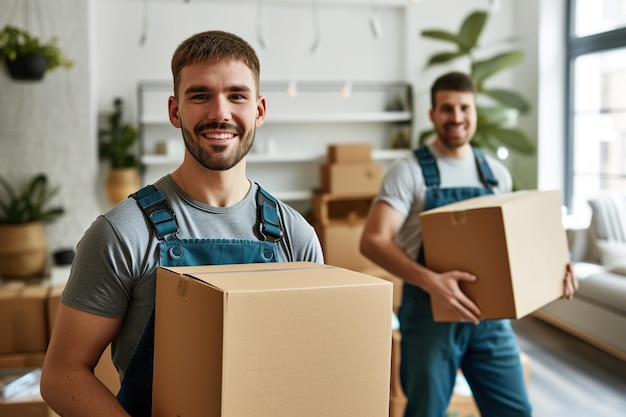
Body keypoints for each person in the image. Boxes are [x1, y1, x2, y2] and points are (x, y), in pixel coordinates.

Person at [41, 30, 324, 417]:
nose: (220, 112)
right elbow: (62, 374)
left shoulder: (296, 237)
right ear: (175, 111)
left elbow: (312, 365)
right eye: (201, 95)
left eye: (236, 95)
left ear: (258, 110)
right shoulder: (121, 233)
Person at [360, 71, 578, 417]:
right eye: (447, 108)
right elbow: (373, 241)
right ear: (432, 115)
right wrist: (432, 281)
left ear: (476, 112)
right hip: (431, 315)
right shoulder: (410, 171)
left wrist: (556, 268)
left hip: (490, 321)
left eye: (464, 108)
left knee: (515, 411)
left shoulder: (495, 174)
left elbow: (515, 245)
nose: (457, 117)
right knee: (425, 412)